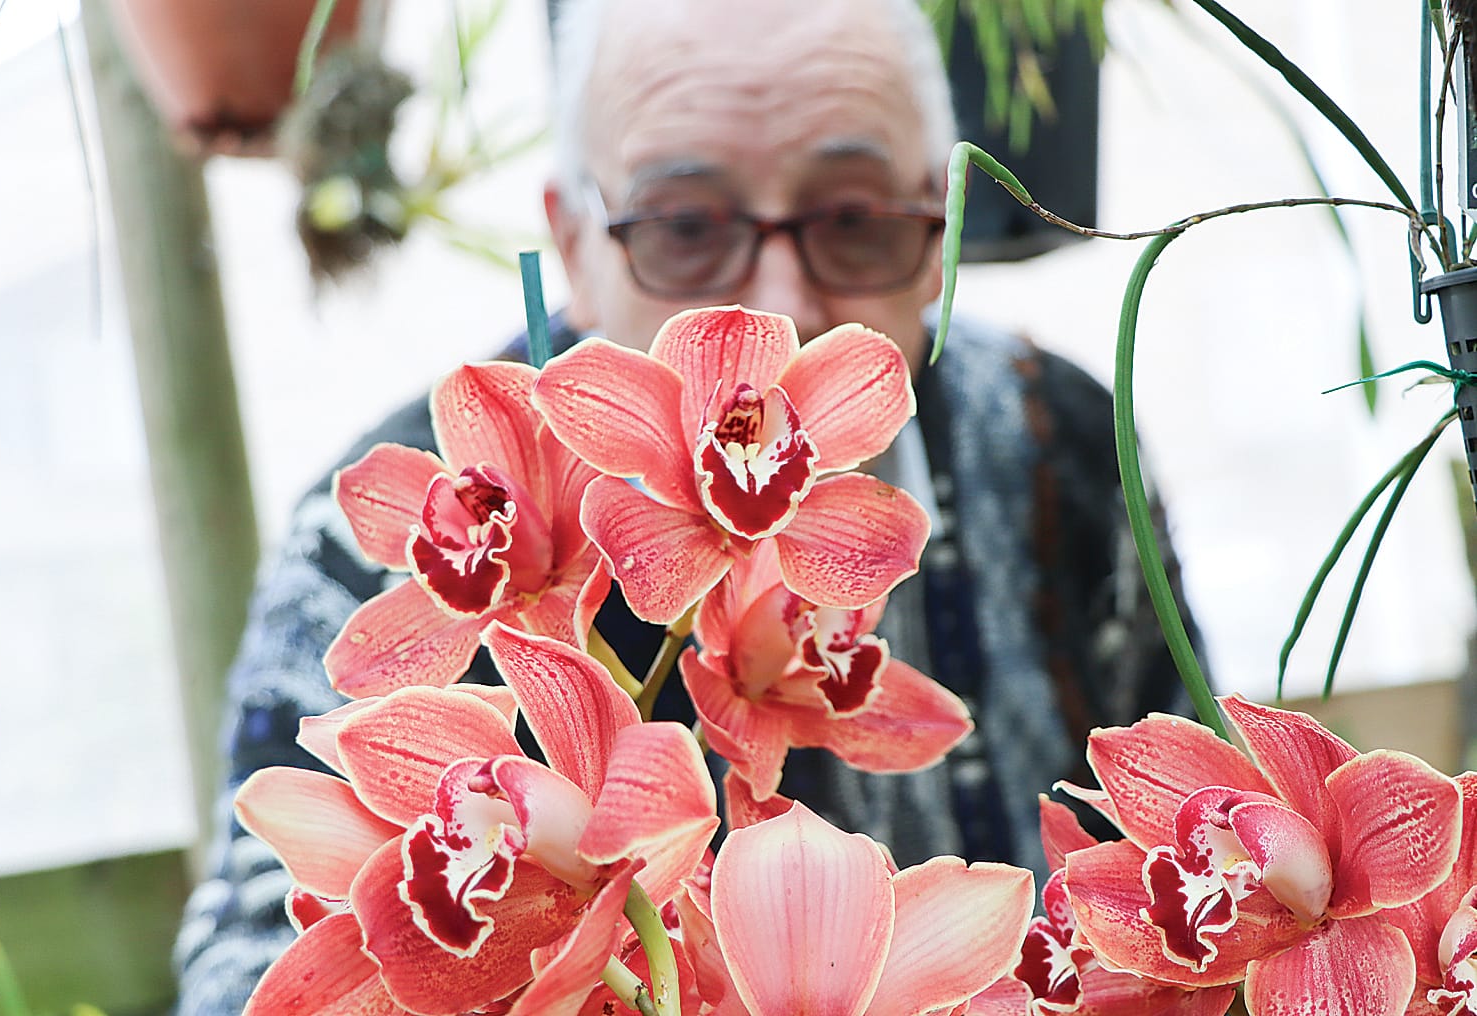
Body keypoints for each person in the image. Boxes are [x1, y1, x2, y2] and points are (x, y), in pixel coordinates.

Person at [171, 0, 1204, 1010]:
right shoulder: (404, 540)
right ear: (571, 241)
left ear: (941, 226)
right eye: (685, 226)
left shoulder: (1061, 437)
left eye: (853, 218)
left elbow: (1174, 832)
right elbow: (248, 961)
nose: (776, 304)